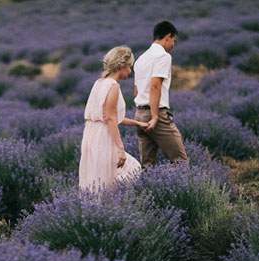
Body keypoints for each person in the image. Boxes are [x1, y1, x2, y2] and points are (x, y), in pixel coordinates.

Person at [79, 46, 147, 191]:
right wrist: (121, 149)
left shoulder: (99, 82)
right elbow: (110, 119)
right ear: (121, 66)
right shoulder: (113, 86)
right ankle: (108, 207)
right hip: (103, 136)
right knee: (128, 170)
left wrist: (137, 123)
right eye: (129, 67)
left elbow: (110, 117)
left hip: (91, 134)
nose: (130, 71)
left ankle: (96, 209)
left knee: (96, 176)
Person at [132, 20, 189, 168]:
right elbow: (155, 85)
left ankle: (147, 191)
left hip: (139, 114)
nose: (173, 45)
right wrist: (155, 116)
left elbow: (136, 91)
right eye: (174, 41)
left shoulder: (141, 59)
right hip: (155, 115)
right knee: (181, 162)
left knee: (147, 167)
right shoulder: (163, 56)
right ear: (168, 36)